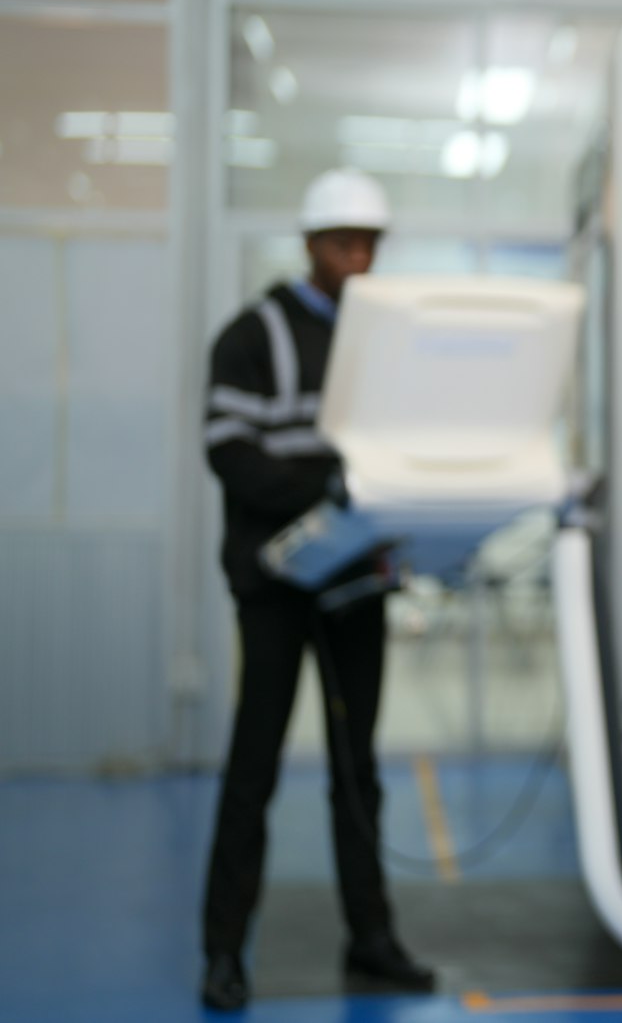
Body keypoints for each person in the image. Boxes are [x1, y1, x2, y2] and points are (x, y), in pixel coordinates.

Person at [198, 168, 435, 1012]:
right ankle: (224, 951)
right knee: (252, 768)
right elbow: (231, 454)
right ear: (309, 245)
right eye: (344, 242)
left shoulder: (387, 342)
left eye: (370, 243)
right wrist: (328, 485)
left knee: (356, 770)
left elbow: (396, 451)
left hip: (355, 583)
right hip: (275, 587)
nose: (359, 257)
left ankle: (372, 938)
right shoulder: (250, 336)